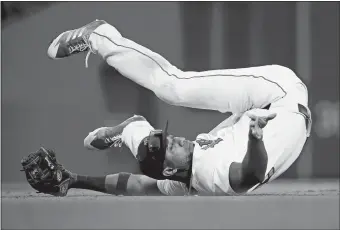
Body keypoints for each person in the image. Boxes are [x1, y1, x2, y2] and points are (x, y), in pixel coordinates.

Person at [42, 19, 312, 196]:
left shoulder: (184, 175)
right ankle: (101, 36)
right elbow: (249, 175)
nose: (177, 140)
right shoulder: (208, 174)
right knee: (173, 87)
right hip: (280, 92)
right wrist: (255, 140)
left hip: (267, 102)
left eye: (170, 140)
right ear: (171, 170)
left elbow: (135, 184)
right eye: (172, 146)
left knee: (169, 99)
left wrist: (77, 180)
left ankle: (130, 127)